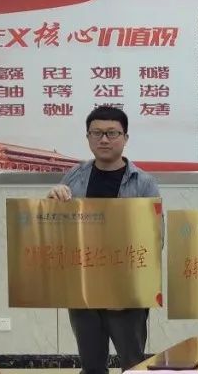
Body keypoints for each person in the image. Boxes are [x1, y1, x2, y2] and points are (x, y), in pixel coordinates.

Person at [47, 106, 159, 374]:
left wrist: (131, 290)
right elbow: (55, 230)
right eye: (97, 133)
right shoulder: (74, 177)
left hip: (126, 291)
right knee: (91, 366)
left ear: (125, 137)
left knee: (132, 364)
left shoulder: (143, 182)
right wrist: (51, 201)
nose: (104, 139)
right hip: (83, 289)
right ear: (88, 137)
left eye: (112, 133)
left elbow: (155, 239)